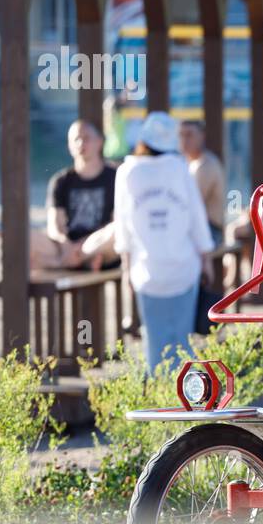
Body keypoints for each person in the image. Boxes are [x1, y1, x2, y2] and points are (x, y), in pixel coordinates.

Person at [113, 111, 215, 372]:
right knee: (182, 341)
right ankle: (186, 398)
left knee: (154, 343)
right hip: (184, 267)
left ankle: (160, 401)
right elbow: (196, 217)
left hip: (146, 271)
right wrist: (206, 260)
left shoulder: (126, 172)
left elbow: (123, 227)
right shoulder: (178, 169)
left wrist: (126, 270)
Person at [30, 120, 118, 270]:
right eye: (76, 139)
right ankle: (81, 261)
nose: (81, 143)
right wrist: (65, 244)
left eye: (86, 138)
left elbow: (117, 221)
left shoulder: (115, 176)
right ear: (69, 146)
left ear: (99, 142)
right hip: (65, 247)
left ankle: (64, 262)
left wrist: (81, 245)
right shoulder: (60, 180)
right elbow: (54, 226)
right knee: (25, 237)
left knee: (117, 230)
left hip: (97, 244)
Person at [178, 119, 227, 246]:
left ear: (201, 136)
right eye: (181, 135)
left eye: (189, 134)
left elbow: (191, 203)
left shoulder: (207, 164)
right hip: (197, 228)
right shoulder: (187, 164)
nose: (184, 140)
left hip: (210, 230)